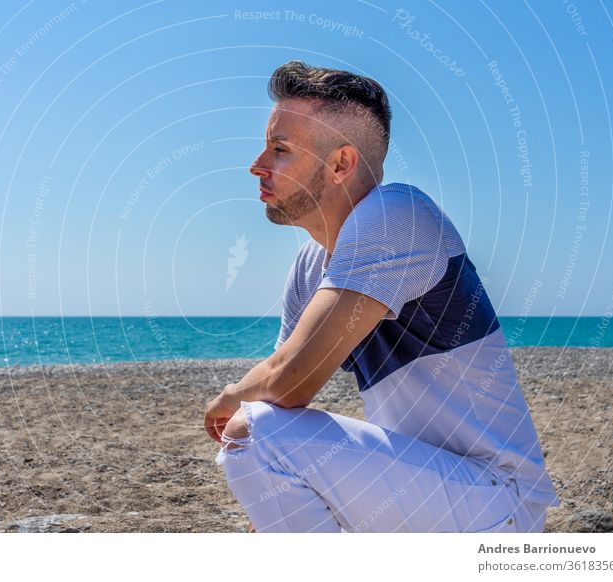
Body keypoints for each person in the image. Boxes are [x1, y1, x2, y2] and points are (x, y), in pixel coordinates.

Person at [203, 60, 560, 533]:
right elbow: (278, 394)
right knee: (258, 431)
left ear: (341, 164)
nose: (258, 165)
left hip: (497, 499)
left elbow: (288, 382)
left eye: (280, 149)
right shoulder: (312, 266)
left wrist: (228, 398)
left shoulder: (396, 215)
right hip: (423, 491)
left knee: (252, 432)